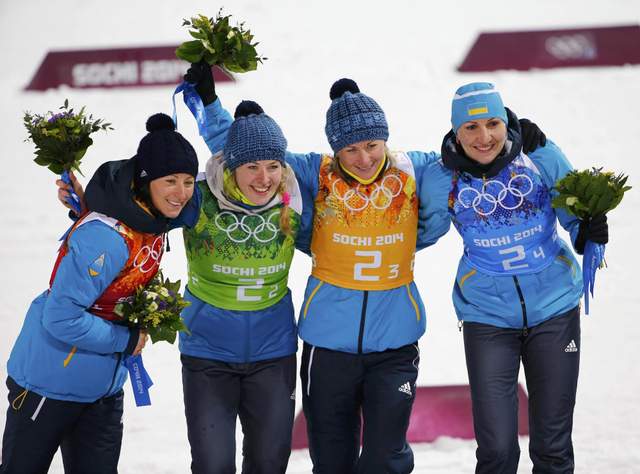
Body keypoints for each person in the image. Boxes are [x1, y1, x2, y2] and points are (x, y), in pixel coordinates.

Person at [58, 93, 304, 473]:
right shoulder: (199, 196)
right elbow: (139, 210)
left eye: (273, 166)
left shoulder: (294, 194)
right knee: (212, 465)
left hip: (274, 353)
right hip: (208, 353)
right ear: (232, 165)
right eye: (253, 166)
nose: (264, 178)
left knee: (270, 463)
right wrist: (88, 206)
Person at [420, 82, 609, 473]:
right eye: (471, 127)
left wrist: (590, 231)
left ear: (507, 122)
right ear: (456, 131)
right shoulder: (443, 178)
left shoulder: (541, 156)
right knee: (496, 451)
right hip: (486, 315)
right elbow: (421, 233)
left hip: (554, 309)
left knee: (553, 448)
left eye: (493, 123)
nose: (484, 137)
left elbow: (576, 220)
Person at [1, 113, 199, 474]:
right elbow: (61, 317)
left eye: (187, 181)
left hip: (103, 391)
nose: (181, 193)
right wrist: (127, 339)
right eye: (170, 180)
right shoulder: (106, 237)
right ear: (145, 181)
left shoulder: (152, 219)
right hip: (49, 384)